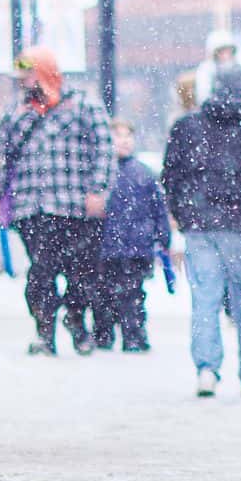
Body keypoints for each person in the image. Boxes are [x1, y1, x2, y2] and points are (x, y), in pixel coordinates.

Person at [163, 60, 241, 397]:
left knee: (204, 299)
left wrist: (184, 213)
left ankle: (206, 369)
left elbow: (172, 175)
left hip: (200, 224)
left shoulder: (189, 125)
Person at [0, 46, 114, 357]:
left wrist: (98, 190)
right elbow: (1, 157)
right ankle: (44, 330)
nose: (23, 81)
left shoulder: (84, 104)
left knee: (81, 272)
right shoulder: (16, 112)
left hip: (76, 206)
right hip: (33, 206)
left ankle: (75, 318)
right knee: (41, 272)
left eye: (28, 73)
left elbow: (104, 149)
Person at [95, 121, 171, 352]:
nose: (124, 141)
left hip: (136, 245)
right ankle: (108, 332)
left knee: (132, 292)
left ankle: (132, 334)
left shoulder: (143, 174)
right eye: (118, 135)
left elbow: (158, 207)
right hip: (109, 244)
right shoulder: (103, 173)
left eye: (128, 136)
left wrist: (161, 235)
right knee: (105, 292)